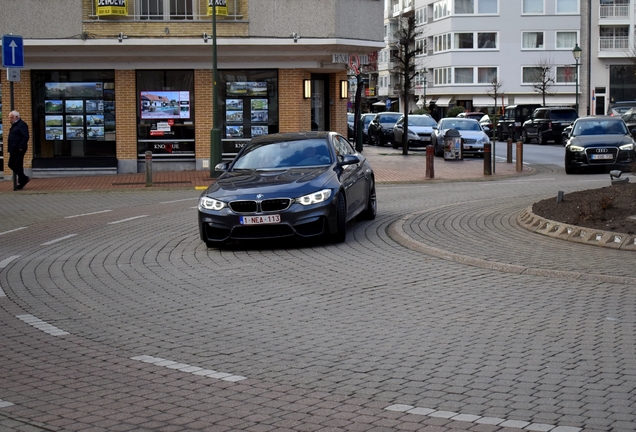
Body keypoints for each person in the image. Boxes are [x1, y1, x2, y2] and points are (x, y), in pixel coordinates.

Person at [8, 110, 30, 190]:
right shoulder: (14, 125)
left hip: (19, 149)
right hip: (13, 149)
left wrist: (20, 146)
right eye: (9, 117)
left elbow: (25, 136)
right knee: (11, 164)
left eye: (11, 117)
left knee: (18, 165)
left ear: (16, 117)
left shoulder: (21, 125)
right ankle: (24, 178)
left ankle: (22, 182)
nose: (10, 119)